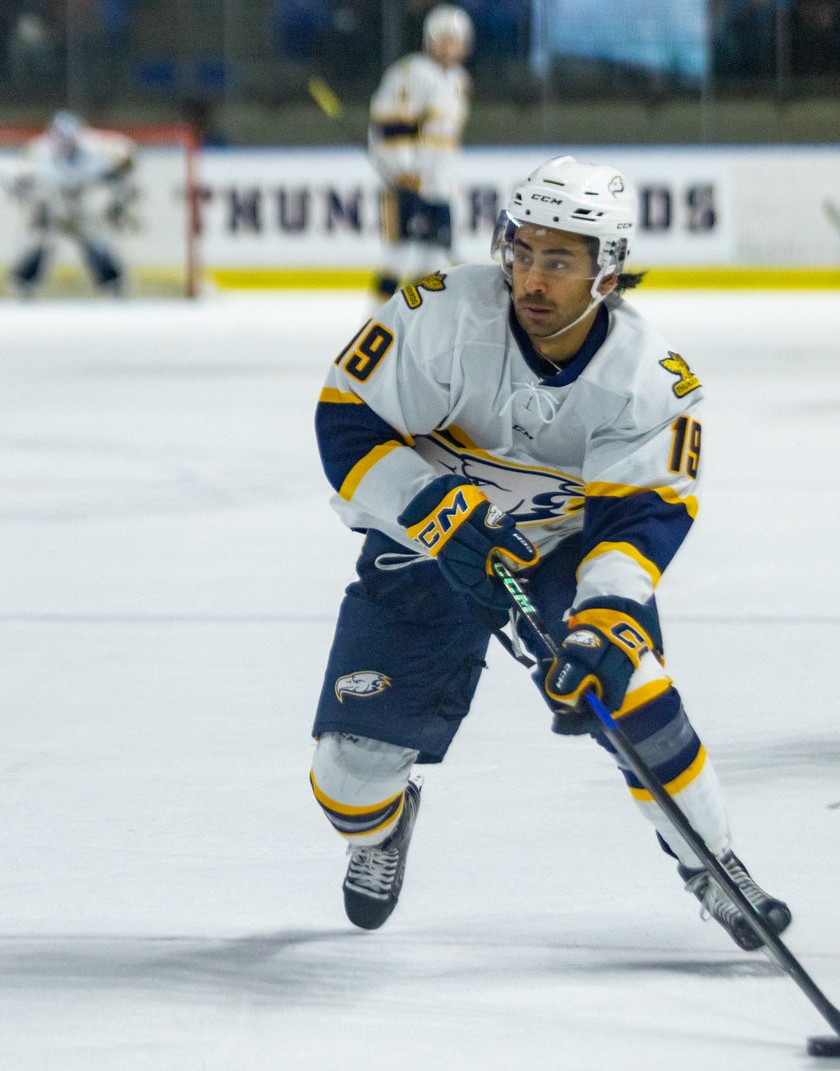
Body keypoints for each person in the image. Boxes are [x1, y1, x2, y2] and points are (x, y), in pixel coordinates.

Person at [308, 155, 796, 945]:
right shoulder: (441, 317)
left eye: (559, 260)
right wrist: (437, 516)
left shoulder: (650, 383)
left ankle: (714, 862)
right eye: (523, 251)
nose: (532, 279)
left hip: (562, 548)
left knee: (633, 689)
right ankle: (381, 827)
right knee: (347, 783)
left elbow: (640, 518)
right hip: (429, 546)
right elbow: (347, 419)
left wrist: (603, 619)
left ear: (608, 271)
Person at [367, 4, 472, 304]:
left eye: (457, 38)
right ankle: (374, 323)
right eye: (445, 37)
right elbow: (390, 127)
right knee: (399, 253)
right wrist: (403, 170)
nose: (451, 44)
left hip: (439, 185)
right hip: (410, 182)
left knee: (432, 260)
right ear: (430, 39)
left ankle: (417, 323)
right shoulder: (412, 72)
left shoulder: (459, 81)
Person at [9, 110, 135, 297]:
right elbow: (21, 177)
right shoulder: (39, 150)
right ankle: (24, 283)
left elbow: (125, 157)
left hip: (80, 202)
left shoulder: (94, 146)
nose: (66, 144)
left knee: (94, 239)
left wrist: (114, 169)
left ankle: (112, 282)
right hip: (52, 202)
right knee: (40, 240)